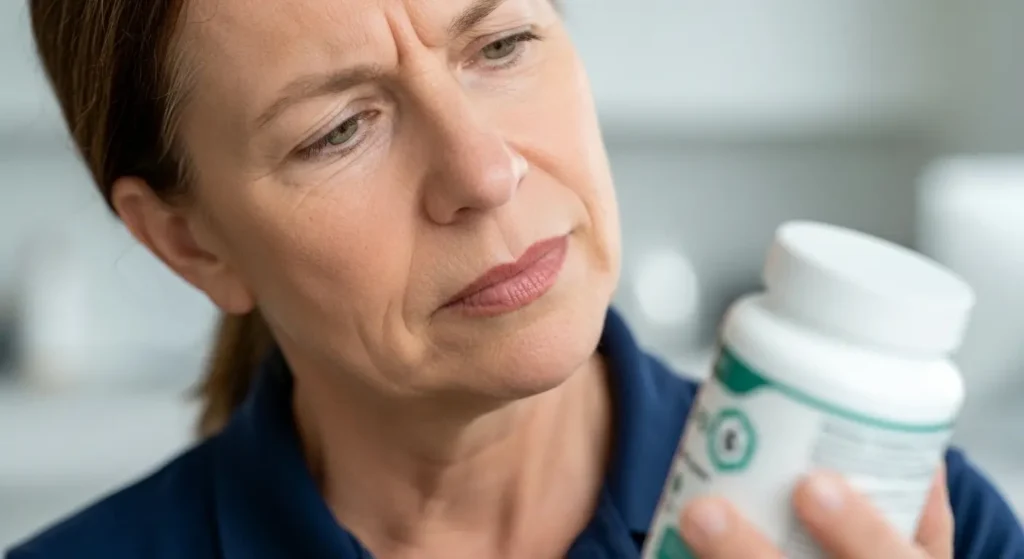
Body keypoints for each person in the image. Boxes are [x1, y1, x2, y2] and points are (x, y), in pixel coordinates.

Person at [8, 0, 1024, 557]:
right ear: (191, 243)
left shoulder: (911, 528)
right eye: (338, 130)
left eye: (501, 44)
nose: (484, 172)